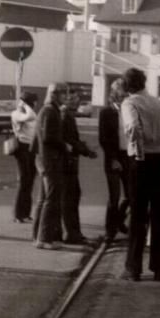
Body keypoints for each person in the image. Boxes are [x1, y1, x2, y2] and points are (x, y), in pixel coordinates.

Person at [120, 68, 160, 282]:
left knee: (138, 215)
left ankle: (133, 268)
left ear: (127, 86)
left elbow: (133, 127)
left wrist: (140, 149)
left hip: (142, 161)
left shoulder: (130, 103)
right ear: (144, 82)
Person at [32, 83, 70, 250]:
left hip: (44, 160)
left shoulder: (46, 110)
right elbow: (48, 137)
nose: (66, 97)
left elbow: (36, 140)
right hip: (50, 160)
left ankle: (38, 236)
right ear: (55, 94)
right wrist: (65, 146)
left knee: (44, 199)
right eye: (64, 94)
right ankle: (44, 239)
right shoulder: (50, 111)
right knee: (51, 200)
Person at [60, 88, 98, 244]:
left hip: (70, 161)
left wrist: (83, 147)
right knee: (70, 197)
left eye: (77, 99)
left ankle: (74, 233)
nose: (77, 102)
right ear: (66, 100)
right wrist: (86, 150)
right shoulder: (65, 115)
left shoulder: (67, 114)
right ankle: (72, 234)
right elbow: (67, 140)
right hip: (67, 163)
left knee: (73, 196)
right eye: (73, 99)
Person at [98, 78, 131, 243]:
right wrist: (113, 159)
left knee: (131, 195)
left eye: (126, 91)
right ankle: (109, 232)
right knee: (114, 196)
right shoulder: (106, 112)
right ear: (114, 93)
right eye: (121, 91)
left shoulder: (131, 111)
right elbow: (103, 139)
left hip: (129, 157)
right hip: (113, 157)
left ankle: (118, 222)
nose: (125, 94)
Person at [10, 91, 38, 223]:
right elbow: (31, 116)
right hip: (21, 148)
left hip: (31, 148)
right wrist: (25, 104)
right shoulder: (16, 114)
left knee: (30, 180)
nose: (35, 105)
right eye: (32, 103)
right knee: (24, 181)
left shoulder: (28, 113)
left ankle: (26, 213)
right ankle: (18, 214)